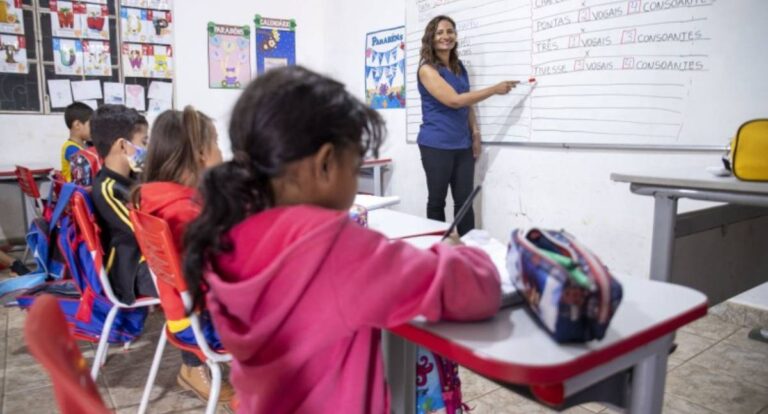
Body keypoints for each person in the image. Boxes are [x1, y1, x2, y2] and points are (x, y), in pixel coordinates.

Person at [182, 66, 502, 413]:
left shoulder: (227, 230)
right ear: (325, 164)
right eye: (355, 168)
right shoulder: (333, 250)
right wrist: (456, 252)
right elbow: (474, 290)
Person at [133, 107, 235, 404]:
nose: (220, 151)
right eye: (216, 142)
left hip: (180, 317)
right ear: (201, 153)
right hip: (205, 324)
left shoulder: (153, 197)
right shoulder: (183, 212)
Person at [417, 15, 517, 235]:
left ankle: (467, 251)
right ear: (431, 39)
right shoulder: (427, 70)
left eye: (450, 31)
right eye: (440, 32)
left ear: (455, 36)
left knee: (464, 202)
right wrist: (493, 90)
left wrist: (475, 133)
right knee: (437, 202)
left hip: (462, 145)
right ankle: (439, 251)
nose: (446, 36)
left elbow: (467, 102)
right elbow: (455, 100)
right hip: (436, 145)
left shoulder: (459, 66)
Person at [89, 104, 155, 304]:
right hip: (134, 269)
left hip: (149, 260)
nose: (148, 148)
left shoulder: (134, 177)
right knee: (201, 280)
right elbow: (143, 232)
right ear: (123, 146)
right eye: (144, 142)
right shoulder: (108, 188)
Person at [61, 102, 94, 182]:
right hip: (75, 191)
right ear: (77, 125)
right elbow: (83, 176)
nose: (94, 129)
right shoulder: (71, 148)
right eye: (91, 125)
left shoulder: (84, 145)